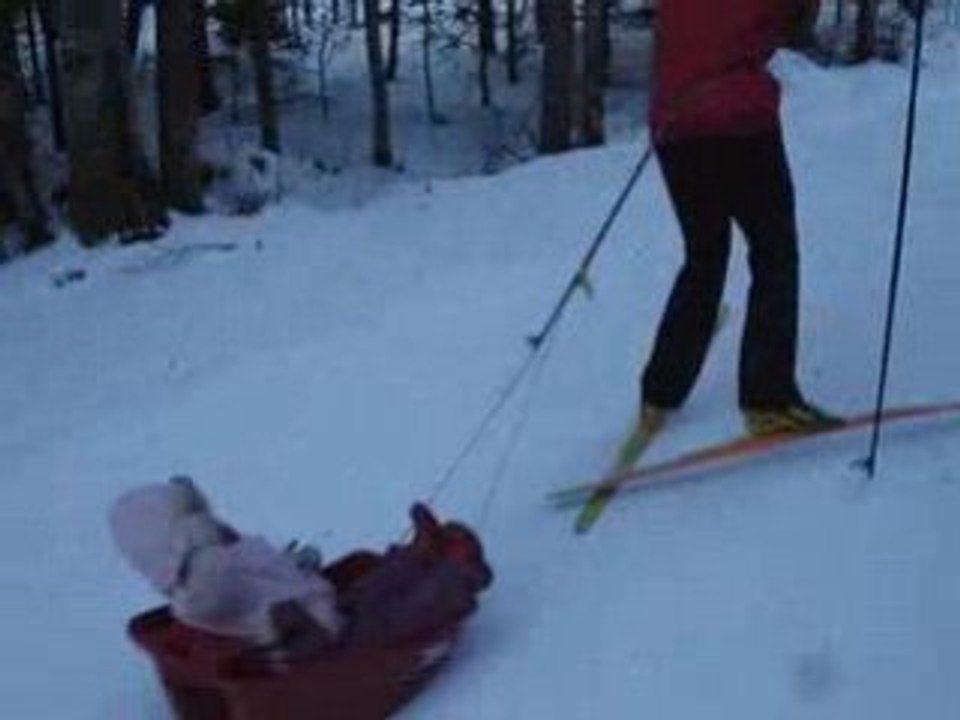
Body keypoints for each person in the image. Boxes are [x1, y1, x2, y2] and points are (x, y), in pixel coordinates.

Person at [639, 0, 841, 438]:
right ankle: (768, 399)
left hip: (675, 120)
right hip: (738, 119)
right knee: (774, 254)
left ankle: (661, 390)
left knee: (705, 254)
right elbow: (795, 22)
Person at [110, 478, 492, 663]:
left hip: (318, 607)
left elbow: (259, 574)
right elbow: (234, 583)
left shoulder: (213, 563)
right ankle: (458, 576)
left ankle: (418, 555)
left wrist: (296, 566)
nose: (213, 523)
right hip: (318, 641)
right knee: (393, 615)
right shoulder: (204, 583)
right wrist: (203, 538)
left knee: (368, 588)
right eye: (194, 521)